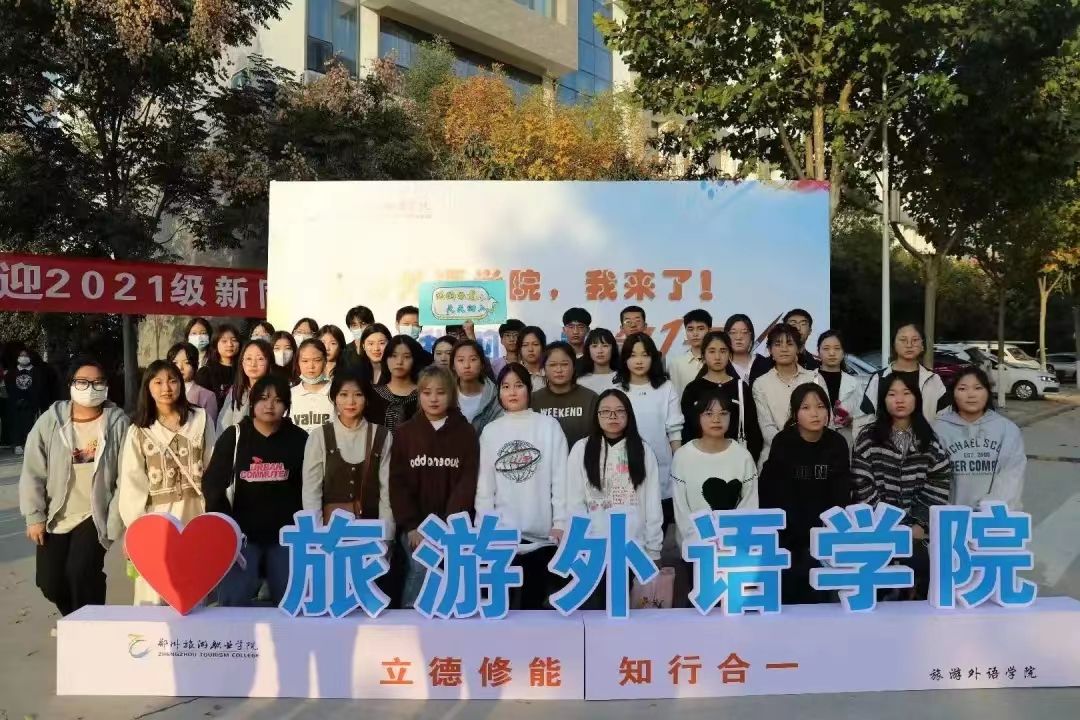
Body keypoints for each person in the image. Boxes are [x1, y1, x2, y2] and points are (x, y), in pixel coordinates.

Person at [19, 358, 129, 616]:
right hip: (56, 514)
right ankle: (77, 620)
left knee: (81, 572)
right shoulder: (50, 421)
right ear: (70, 384)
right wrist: (34, 516)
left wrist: (114, 519)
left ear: (106, 386)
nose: (90, 388)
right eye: (82, 382)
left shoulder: (118, 423)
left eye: (97, 382)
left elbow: (126, 475)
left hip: (94, 514)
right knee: (50, 582)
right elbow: (33, 471)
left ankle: (88, 625)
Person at [117, 360, 216, 606]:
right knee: (154, 590)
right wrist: (134, 528)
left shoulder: (200, 419)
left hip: (195, 513)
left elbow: (213, 466)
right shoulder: (140, 429)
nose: (166, 388)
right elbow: (132, 482)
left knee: (193, 588)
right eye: (158, 382)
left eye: (172, 381)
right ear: (147, 387)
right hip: (157, 517)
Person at [205, 373, 307, 607]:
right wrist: (228, 528)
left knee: (292, 606)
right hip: (243, 540)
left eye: (278, 400)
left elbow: (310, 487)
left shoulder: (300, 439)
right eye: (263, 398)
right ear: (252, 402)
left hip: (286, 540)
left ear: (287, 406)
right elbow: (213, 486)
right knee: (232, 605)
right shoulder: (235, 436)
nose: (270, 405)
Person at [476, 363, 568, 610]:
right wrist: (485, 530)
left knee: (534, 612)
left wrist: (560, 523)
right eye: (506, 387)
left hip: (543, 538)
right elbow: (484, 488)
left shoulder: (549, 426)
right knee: (501, 611)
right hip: (502, 538)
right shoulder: (490, 431)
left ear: (529, 389)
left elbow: (560, 480)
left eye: (518, 385)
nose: (512, 392)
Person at [852, 373, 952, 598]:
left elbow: (938, 482)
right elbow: (861, 481)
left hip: (915, 531)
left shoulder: (929, 439)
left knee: (924, 571)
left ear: (916, 398)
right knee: (876, 585)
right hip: (876, 530)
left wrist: (919, 523)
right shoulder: (868, 437)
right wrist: (885, 524)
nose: (899, 400)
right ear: (883, 400)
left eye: (906, 393)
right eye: (892, 394)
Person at [562, 388, 664, 607]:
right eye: (606, 411)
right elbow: (574, 503)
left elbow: (652, 503)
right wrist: (580, 546)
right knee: (594, 611)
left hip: (632, 548)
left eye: (619, 411)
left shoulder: (642, 451)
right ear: (596, 416)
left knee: (625, 611)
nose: (613, 416)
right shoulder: (581, 449)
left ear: (629, 415)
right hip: (593, 549)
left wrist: (653, 549)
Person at [390, 366, 480, 608]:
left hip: (453, 528)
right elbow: (398, 483)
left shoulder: (465, 432)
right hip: (415, 527)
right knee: (420, 570)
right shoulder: (405, 434)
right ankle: (410, 622)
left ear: (451, 394)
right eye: (426, 392)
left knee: (453, 579)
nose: (433, 398)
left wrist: (449, 525)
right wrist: (412, 526)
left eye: (440, 392)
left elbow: (468, 481)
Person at [759, 384, 852, 604]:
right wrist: (798, 538)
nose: (815, 413)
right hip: (790, 534)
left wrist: (824, 534)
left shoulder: (837, 443)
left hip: (826, 532)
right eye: (806, 408)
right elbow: (776, 495)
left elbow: (840, 494)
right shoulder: (783, 443)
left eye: (820, 407)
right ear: (795, 414)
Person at [302, 369, 394, 536]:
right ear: (334, 398)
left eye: (358, 395)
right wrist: (315, 535)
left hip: (371, 532)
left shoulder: (382, 435)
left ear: (367, 399)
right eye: (343, 395)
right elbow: (311, 492)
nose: (350, 401)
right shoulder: (319, 436)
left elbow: (387, 492)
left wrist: (386, 535)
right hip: (330, 533)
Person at [671, 386, 759, 547]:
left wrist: (730, 540)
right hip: (695, 547)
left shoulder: (743, 456)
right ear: (698, 416)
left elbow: (749, 505)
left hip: (734, 545)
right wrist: (701, 541)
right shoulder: (682, 456)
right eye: (709, 413)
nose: (716, 419)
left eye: (723, 413)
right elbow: (681, 509)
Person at [934, 366, 1026, 509]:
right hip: (950, 516)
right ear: (953, 393)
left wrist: (988, 509)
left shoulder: (1007, 429)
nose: (971, 395)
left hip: (992, 516)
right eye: (962, 389)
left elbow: (1011, 475)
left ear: (988, 392)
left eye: (978, 388)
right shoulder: (938, 429)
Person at [616, 333, 683, 530]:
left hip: (662, 466)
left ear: (653, 358)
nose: (639, 361)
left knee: (658, 526)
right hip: (624, 467)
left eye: (645, 355)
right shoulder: (617, 390)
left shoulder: (666, 387)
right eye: (633, 355)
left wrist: (679, 465)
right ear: (625, 359)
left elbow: (674, 430)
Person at [680, 331, 763, 463]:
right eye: (712, 351)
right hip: (699, 460)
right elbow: (687, 431)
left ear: (729, 354)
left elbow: (753, 430)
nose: (717, 357)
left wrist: (748, 462)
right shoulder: (693, 389)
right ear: (703, 355)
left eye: (723, 351)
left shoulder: (741, 387)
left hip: (735, 460)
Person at [855, 323, 947, 438]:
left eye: (915, 340)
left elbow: (945, 419)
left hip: (925, 444)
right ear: (894, 344)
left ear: (922, 345)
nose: (909, 345)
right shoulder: (879, 378)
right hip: (883, 445)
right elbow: (864, 419)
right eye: (903, 340)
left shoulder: (933, 379)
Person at [752, 325, 818, 465]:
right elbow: (767, 427)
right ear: (770, 350)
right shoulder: (761, 384)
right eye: (777, 344)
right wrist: (791, 447)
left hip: (813, 454)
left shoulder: (814, 378)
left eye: (789, 344)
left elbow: (826, 419)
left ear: (798, 348)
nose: (784, 349)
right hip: (775, 457)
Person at [531, 341, 598, 449]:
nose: (559, 370)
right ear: (544, 369)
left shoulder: (591, 399)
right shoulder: (533, 400)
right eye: (553, 365)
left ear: (574, 366)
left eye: (565, 364)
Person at [366, 335, 427, 432]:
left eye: (406, 357)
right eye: (394, 356)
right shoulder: (373, 395)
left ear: (415, 360)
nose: (399, 362)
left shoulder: (424, 395)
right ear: (386, 359)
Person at [813, 330, 862, 447]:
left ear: (843, 352)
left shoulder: (854, 383)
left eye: (837, 348)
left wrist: (851, 419)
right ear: (818, 352)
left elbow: (863, 416)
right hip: (814, 440)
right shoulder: (808, 380)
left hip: (845, 442)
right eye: (826, 349)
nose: (832, 353)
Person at [219, 340, 274, 430]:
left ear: (269, 362)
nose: (253, 364)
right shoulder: (235, 391)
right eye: (248, 358)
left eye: (260, 359)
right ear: (242, 362)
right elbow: (223, 426)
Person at [452, 339, 502, 434]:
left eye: (473, 359)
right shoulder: (446, 395)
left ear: (482, 364)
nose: (467, 365)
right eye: (461, 360)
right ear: (453, 365)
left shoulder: (495, 396)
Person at [166, 341, 218, 430]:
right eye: (175, 363)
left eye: (186, 363)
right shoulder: (162, 391)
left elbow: (210, 429)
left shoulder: (207, 396)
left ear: (195, 365)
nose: (180, 367)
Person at [6, 348, 49, 455]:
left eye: (26, 355)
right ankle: (18, 444)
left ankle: (29, 444)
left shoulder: (36, 371)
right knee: (16, 423)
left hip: (31, 403)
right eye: (21, 355)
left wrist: (31, 399)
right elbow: (9, 386)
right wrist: (17, 398)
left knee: (30, 423)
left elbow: (39, 387)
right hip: (16, 402)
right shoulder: (12, 372)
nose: (23, 358)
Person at [290, 339, 334, 434]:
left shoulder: (336, 392)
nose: (311, 366)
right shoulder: (290, 395)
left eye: (317, 360)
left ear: (325, 361)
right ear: (298, 363)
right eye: (305, 361)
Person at [667, 309, 713, 397]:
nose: (695, 334)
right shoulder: (675, 364)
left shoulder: (718, 361)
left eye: (700, 329)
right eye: (690, 329)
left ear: (709, 331)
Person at [196, 323, 241, 410]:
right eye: (224, 341)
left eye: (234, 340)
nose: (230, 344)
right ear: (215, 344)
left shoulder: (245, 370)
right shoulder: (206, 373)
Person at [724, 313, 772, 386]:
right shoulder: (721, 365)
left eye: (744, 332)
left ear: (751, 336)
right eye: (733, 332)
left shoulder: (766, 364)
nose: (738, 337)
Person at [577, 327, 622, 395]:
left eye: (605, 346)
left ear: (613, 349)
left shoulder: (622, 379)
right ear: (588, 350)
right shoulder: (580, 382)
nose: (600, 351)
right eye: (594, 346)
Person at [343, 305, 376, 369]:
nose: (359, 328)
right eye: (354, 325)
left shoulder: (379, 347)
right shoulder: (345, 352)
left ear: (372, 324)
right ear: (350, 328)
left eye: (363, 324)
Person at [518, 326, 548, 391]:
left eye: (535, 344)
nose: (530, 349)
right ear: (520, 349)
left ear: (543, 347)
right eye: (525, 345)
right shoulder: (514, 373)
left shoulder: (550, 372)